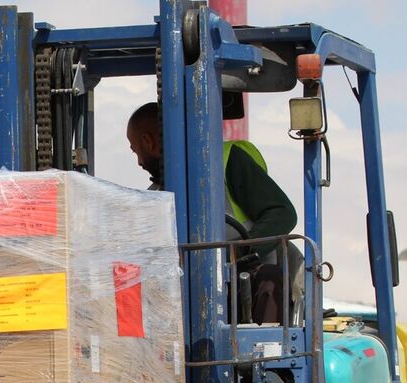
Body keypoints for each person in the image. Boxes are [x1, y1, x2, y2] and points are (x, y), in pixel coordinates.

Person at [126, 102, 299, 323]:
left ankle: (265, 354)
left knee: (269, 278)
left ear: (147, 141)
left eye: (135, 150)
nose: (139, 162)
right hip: (187, 292)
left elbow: (282, 213)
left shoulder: (227, 161)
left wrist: (238, 254)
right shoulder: (154, 195)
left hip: (242, 282)